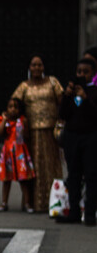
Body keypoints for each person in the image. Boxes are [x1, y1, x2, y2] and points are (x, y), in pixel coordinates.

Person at [11, 54, 63, 213]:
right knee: (32, 167)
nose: (37, 68)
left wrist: (62, 121)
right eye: (33, 65)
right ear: (29, 68)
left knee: (51, 165)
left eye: (39, 65)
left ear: (44, 67)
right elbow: (14, 104)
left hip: (50, 131)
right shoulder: (24, 86)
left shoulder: (53, 82)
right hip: (30, 133)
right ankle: (32, 202)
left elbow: (62, 102)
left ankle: (55, 202)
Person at [56, 58, 97, 226]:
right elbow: (63, 114)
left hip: (90, 138)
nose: (81, 75)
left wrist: (85, 98)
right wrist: (67, 96)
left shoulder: (94, 91)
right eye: (79, 71)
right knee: (73, 175)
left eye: (85, 72)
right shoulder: (71, 92)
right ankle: (73, 211)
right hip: (72, 137)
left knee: (91, 176)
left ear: (93, 74)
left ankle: (89, 214)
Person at [0, 97, 35, 213]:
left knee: (24, 179)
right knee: (6, 179)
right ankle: (4, 202)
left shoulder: (23, 120)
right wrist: (4, 120)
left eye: (16, 107)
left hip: (20, 153)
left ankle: (27, 203)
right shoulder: (3, 120)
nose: (13, 110)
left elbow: (27, 135)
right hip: (8, 152)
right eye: (10, 107)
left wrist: (24, 130)